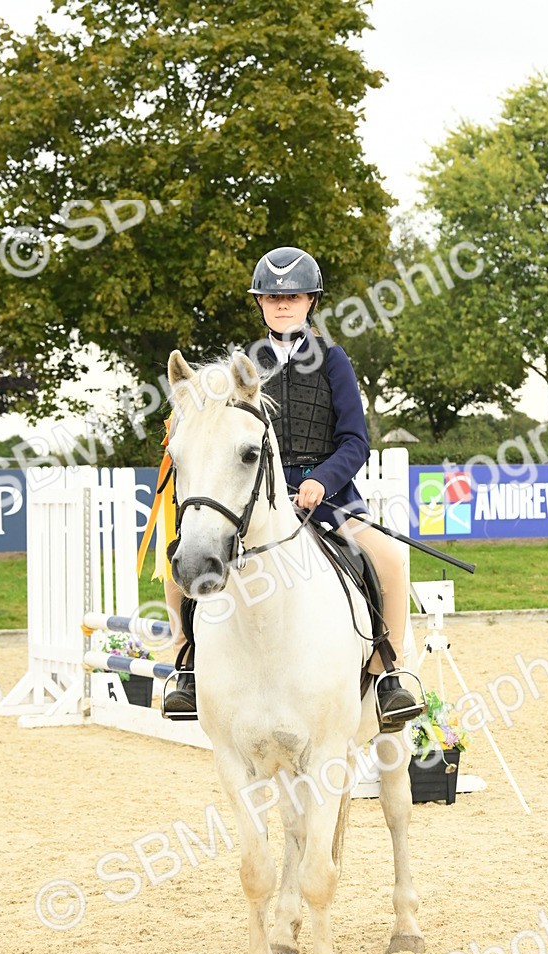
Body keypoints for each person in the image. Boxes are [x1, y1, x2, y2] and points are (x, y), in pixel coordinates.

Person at [163, 245, 423, 729]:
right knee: (180, 561)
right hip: (254, 500)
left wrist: (322, 481)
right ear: (260, 303)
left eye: (295, 297)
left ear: (311, 303)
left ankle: (390, 672)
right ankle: (188, 667)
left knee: (389, 555)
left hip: (326, 499)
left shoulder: (333, 361)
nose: (284, 305)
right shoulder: (241, 370)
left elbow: (355, 441)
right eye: (273, 297)